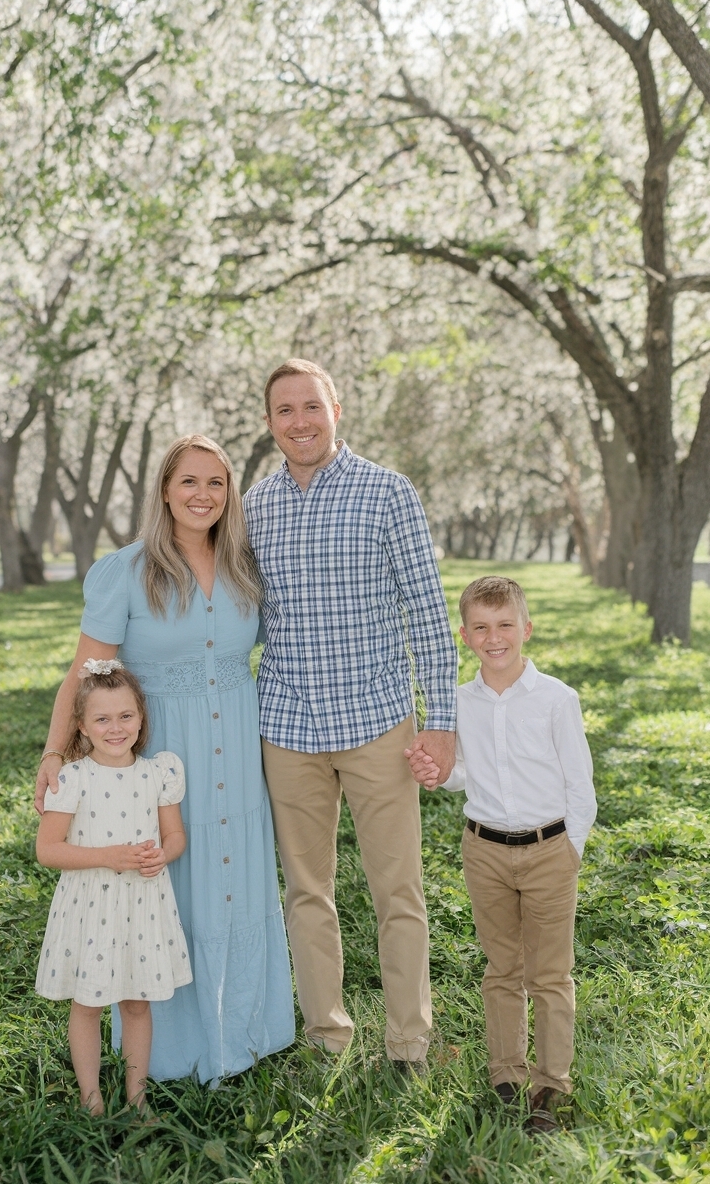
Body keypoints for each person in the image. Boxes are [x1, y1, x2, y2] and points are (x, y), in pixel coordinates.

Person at [35, 435, 295, 1085]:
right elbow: (86, 671)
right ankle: (175, 1051)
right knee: (170, 886)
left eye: (216, 483)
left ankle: (245, 1031)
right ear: (164, 490)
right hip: (161, 757)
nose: (202, 494)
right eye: (189, 482)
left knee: (234, 881)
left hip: (237, 751)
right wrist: (54, 749)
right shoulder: (124, 571)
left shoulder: (244, 566)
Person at [243, 358, 458, 1066]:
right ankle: (327, 1038)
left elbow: (429, 614)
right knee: (307, 893)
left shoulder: (388, 494)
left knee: (398, 890)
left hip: (377, 726)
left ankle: (409, 1044)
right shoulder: (254, 508)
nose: (299, 421)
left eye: (311, 406)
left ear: (336, 409)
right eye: (284, 410)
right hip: (289, 730)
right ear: (270, 422)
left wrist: (441, 720)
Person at [429, 575, 597, 1132]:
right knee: (503, 968)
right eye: (481, 627)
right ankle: (506, 1072)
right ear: (464, 635)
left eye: (504, 626)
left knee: (550, 974)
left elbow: (580, 785)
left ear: (525, 629)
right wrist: (440, 773)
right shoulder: (458, 702)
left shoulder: (556, 698)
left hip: (549, 849)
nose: (493, 637)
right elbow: (465, 773)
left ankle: (551, 1087)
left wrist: (569, 848)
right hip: (485, 850)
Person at [35, 659, 191, 1115]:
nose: (115, 727)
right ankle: (91, 1098)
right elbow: (48, 849)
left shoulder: (158, 773)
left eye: (126, 716)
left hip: (142, 905)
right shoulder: (73, 778)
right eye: (102, 719)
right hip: (90, 907)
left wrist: (165, 853)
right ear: (81, 727)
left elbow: (175, 835)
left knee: (137, 1004)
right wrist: (108, 857)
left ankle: (136, 1095)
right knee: (87, 1003)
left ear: (141, 718)